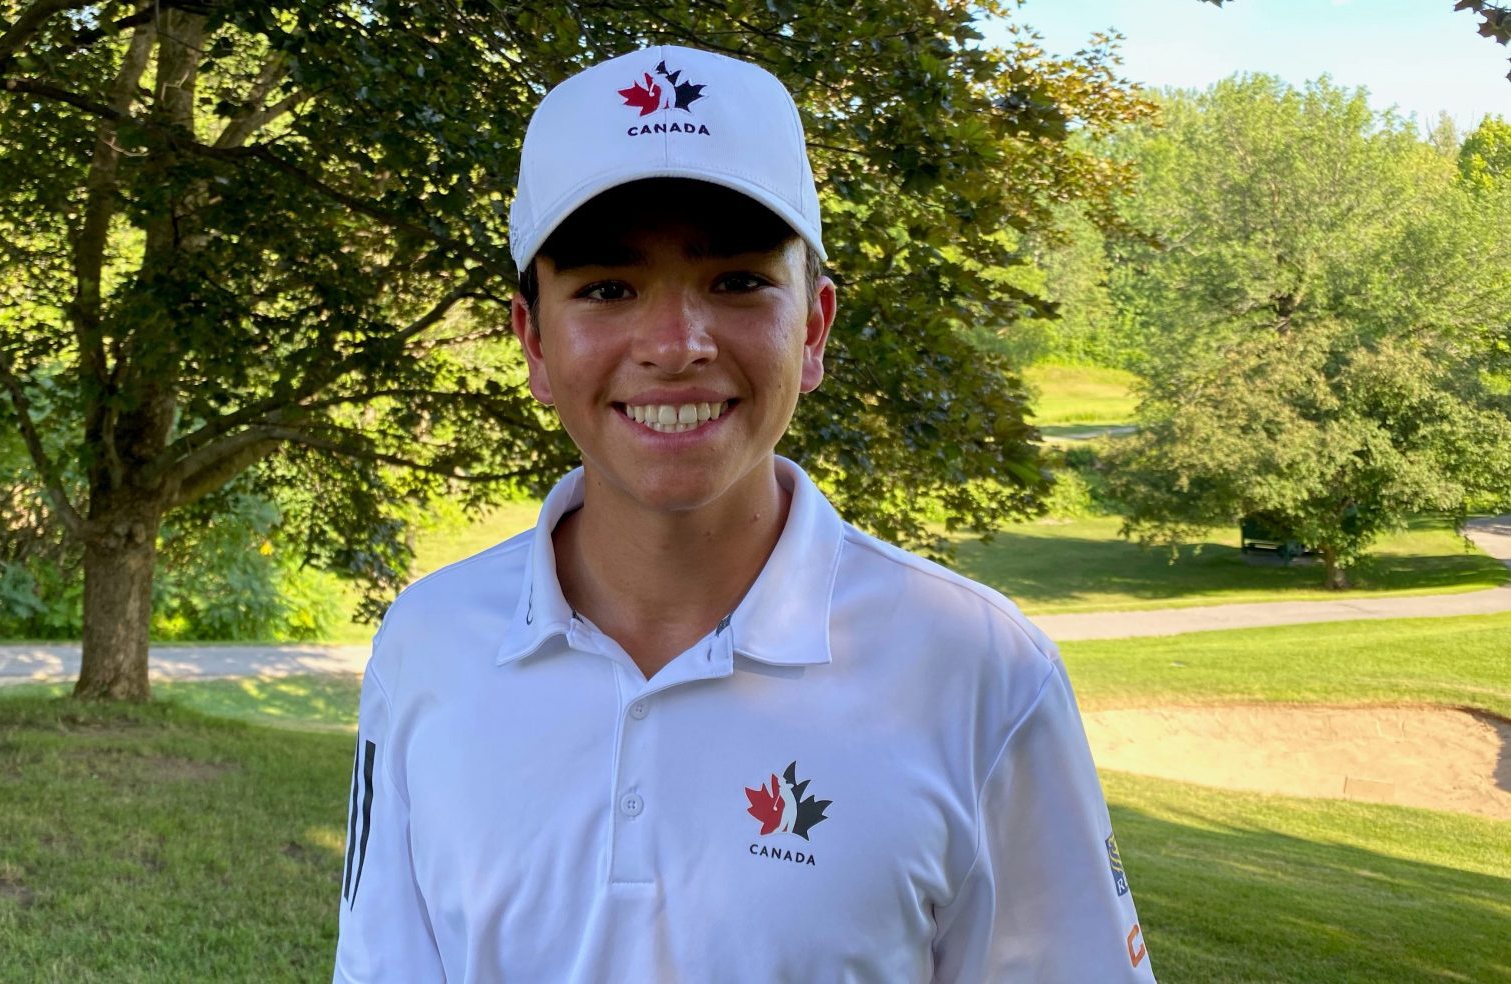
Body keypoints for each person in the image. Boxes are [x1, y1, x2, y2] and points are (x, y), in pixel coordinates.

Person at [333, 44, 1154, 983]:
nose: (675, 345)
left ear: (812, 328)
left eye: (737, 282)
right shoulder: (429, 644)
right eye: (607, 289)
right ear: (533, 340)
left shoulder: (979, 669)